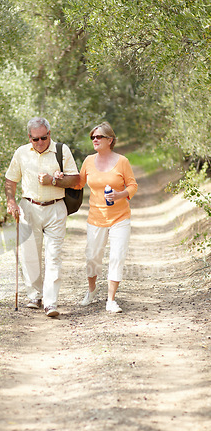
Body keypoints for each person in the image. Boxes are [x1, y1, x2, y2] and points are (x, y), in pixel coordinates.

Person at [5, 117, 80, 317]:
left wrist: (53, 181)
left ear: (49, 134)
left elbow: (76, 179)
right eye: (35, 139)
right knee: (30, 255)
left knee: (53, 255)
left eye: (43, 138)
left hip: (55, 208)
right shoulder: (21, 153)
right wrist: (11, 201)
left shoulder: (62, 150)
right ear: (29, 138)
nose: (40, 143)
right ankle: (34, 296)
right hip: (29, 208)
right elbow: (10, 179)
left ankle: (51, 302)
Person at [76, 121, 138, 313]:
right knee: (93, 258)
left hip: (120, 217)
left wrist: (121, 194)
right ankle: (91, 291)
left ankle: (111, 300)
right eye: (92, 137)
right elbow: (78, 184)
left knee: (117, 256)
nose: (95, 140)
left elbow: (133, 185)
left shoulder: (122, 162)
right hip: (96, 217)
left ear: (110, 140)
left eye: (99, 137)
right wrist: (59, 177)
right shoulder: (88, 161)